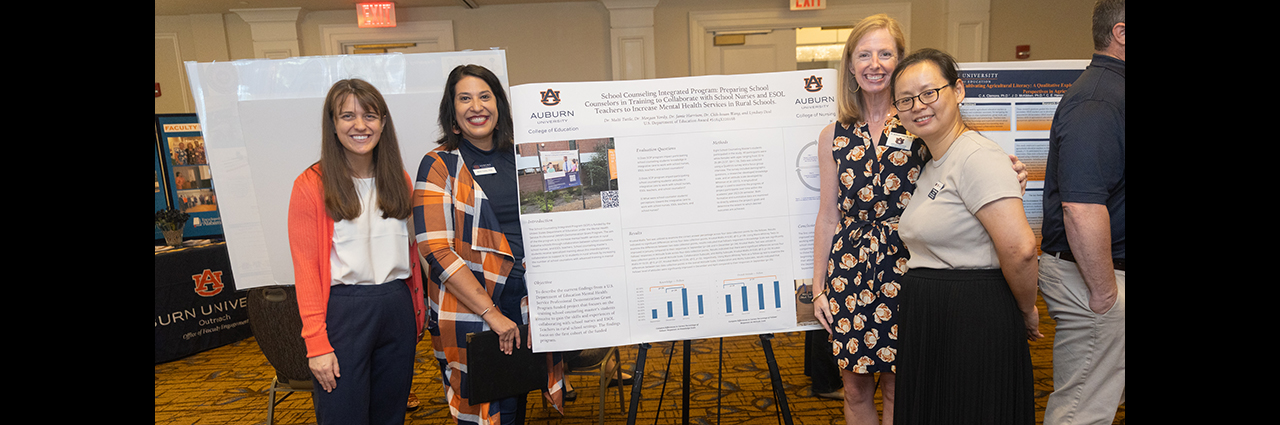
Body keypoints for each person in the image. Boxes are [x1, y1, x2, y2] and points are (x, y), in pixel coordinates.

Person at [810, 14, 1027, 425]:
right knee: (854, 387)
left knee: (898, 384)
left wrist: (1009, 168)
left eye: (886, 53)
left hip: (907, 266)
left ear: (900, 63)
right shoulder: (833, 134)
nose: (875, 63)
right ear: (851, 66)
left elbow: (964, 155)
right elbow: (828, 214)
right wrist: (819, 288)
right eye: (864, 54)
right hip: (849, 272)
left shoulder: (918, 119)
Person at [890, 48, 1041, 424]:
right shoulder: (931, 161)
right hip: (934, 317)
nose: (918, 106)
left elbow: (1021, 250)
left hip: (973, 317)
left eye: (929, 92)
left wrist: (1025, 310)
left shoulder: (978, 156)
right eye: (906, 99)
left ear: (958, 90)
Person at [414, 64, 564, 425]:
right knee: (487, 409)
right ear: (452, 113)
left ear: (499, 106)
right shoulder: (439, 165)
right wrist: (491, 314)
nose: (476, 106)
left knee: (518, 395)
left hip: (527, 297)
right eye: (464, 98)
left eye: (485, 96)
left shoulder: (523, 157)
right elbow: (435, 250)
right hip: (473, 304)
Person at [287, 78, 426, 425]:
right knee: (342, 416)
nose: (360, 125)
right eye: (347, 116)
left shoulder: (400, 179)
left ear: (383, 123)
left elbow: (411, 253)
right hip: (345, 313)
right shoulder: (311, 185)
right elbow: (305, 270)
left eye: (370, 116)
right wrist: (316, 344)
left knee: (390, 415)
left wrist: (416, 310)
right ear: (332, 125)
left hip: (396, 307)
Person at [1038, 1, 1125, 423]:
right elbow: (1080, 206)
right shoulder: (1098, 99)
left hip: (1100, 272)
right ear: (1121, 34)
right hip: (1092, 276)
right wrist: (1106, 296)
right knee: (1082, 413)